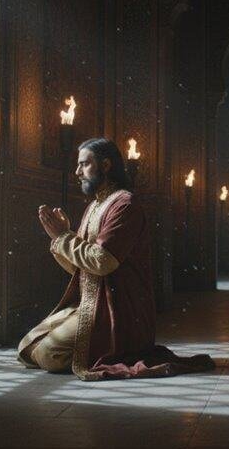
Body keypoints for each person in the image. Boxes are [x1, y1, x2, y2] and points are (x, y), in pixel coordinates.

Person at [17, 138, 214, 380]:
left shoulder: (125, 204)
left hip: (119, 312)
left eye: (84, 164)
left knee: (48, 354)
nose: (77, 172)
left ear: (106, 165)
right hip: (90, 304)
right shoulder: (94, 206)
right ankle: (82, 348)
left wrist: (64, 237)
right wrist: (61, 238)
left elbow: (102, 262)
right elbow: (81, 270)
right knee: (26, 347)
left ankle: (103, 351)